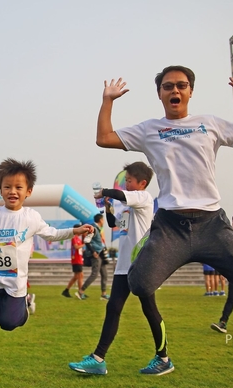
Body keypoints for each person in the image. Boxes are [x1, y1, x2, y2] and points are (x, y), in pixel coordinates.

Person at [94, 66, 233, 370]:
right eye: (168, 86)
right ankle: (160, 356)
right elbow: (104, 138)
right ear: (159, 93)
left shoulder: (209, 123)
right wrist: (108, 101)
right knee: (140, 285)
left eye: (182, 85)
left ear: (190, 91)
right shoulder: (149, 129)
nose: (175, 90)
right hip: (171, 226)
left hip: (212, 225)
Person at [0, 158, 93, 331]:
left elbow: (52, 234)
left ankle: (23, 309)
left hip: (16, 282)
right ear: (0, 190)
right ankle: (1, 305)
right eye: (7, 187)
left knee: (8, 324)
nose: (12, 191)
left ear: (28, 191)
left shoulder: (31, 217)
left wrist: (75, 231)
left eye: (18, 187)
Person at [69, 161, 172, 375]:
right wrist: (107, 206)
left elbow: (121, 195)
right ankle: (98, 359)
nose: (126, 184)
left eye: (130, 180)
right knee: (113, 308)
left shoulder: (143, 198)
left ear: (142, 183)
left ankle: (164, 359)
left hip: (142, 265)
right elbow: (113, 224)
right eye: (126, 180)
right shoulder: (128, 206)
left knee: (150, 310)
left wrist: (103, 192)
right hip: (124, 266)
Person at [75, 213, 109, 300]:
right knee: (94, 274)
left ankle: (103, 294)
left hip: (101, 253)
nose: (104, 221)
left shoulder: (97, 228)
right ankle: (81, 291)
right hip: (96, 254)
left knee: (104, 274)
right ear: (100, 220)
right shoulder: (93, 228)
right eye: (103, 220)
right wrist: (93, 251)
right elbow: (86, 240)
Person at [62, 224, 84, 297]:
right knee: (79, 275)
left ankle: (67, 290)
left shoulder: (78, 239)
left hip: (79, 259)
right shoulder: (74, 238)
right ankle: (80, 292)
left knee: (78, 276)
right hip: (76, 260)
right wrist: (84, 244)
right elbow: (76, 247)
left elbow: (79, 249)